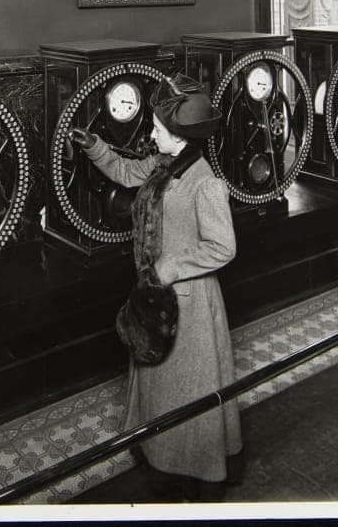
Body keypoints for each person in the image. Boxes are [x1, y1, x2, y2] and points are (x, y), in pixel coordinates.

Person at [69, 74, 243, 500]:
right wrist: (93, 145)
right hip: (156, 296)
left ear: (180, 138)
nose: (150, 133)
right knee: (160, 385)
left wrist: (170, 267)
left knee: (186, 392)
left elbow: (224, 247)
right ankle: (162, 459)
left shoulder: (205, 184)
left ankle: (190, 472)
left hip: (189, 305)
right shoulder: (163, 165)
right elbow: (126, 172)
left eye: (158, 129)